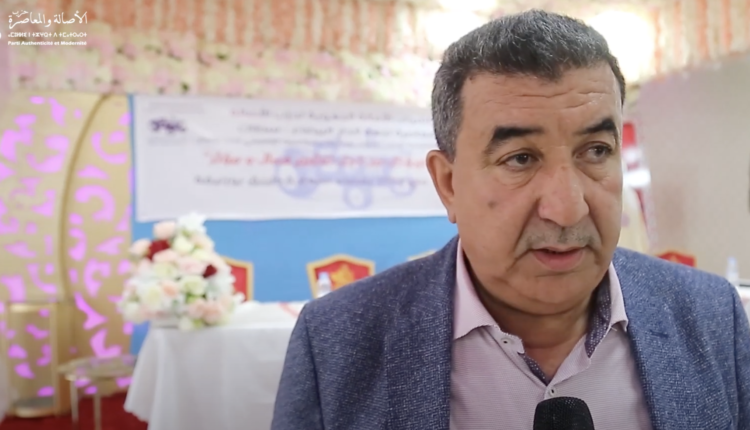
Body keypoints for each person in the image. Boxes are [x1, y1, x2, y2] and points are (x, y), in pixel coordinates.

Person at [272, 10, 750, 430]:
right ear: (448, 184)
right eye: (520, 159)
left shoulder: (712, 317)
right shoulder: (336, 343)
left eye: (595, 151)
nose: (568, 208)